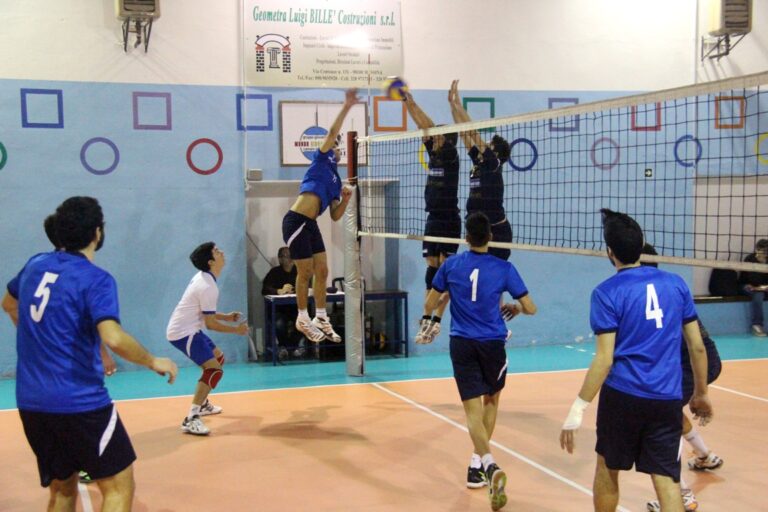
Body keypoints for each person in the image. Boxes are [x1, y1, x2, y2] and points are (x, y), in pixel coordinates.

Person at [1, 196, 178, 511]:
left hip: (31, 403)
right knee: (119, 487)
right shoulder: (95, 278)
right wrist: (153, 360)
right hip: (79, 403)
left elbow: (9, 303)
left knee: (63, 490)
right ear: (98, 232)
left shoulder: (35, 264)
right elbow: (112, 337)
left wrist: (40, 338)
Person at [559, 209, 713, 512]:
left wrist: (577, 409)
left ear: (609, 253)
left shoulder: (606, 292)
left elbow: (604, 359)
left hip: (623, 397)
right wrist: (701, 393)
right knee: (667, 478)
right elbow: (697, 346)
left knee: (607, 468)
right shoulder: (676, 284)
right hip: (667, 397)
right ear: (642, 245)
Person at [424, 212, 537, 511]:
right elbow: (531, 307)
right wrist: (514, 307)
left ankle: (483, 464)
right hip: (492, 344)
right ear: (490, 237)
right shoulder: (504, 268)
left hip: (461, 343)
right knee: (492, 401)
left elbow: (429, 302)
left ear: (465, 237)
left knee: (471, 408)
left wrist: (441, 305)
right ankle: (479, 462)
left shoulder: (451, 265)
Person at [640, 244, 723, 512]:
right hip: (690, 360)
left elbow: (695, 345)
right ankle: (705, 456)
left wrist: (701, 392)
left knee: (662, 421)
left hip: (695, 360)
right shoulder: (663, 286)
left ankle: (682, 495)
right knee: (670, 413)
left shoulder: (659, 292)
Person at [282, 88, 357, 344]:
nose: (335, 146)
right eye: (334, 144)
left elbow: (335, 216)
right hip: (296, 220)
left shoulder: (336, 181)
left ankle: (321, 316)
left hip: (311, 223)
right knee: (305, 271)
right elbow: (334, 132)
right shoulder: (320, 159)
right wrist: (347, 107)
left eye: (337, 147)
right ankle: (302, 317)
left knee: (322, 270)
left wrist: (346, 200)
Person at [166, 242, 248, 436]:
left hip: (191, 328)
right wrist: (236, 330)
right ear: (211, 261)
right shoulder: (207, 285)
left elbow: (206, 313)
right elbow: (210, 324)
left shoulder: (205, 279)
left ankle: (202, 404)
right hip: (182, 333)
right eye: (217, 251)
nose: (222, 252)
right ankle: (191, 418)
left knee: (217, 359)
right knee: (213, 370)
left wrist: (226, 316)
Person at [402, 89, 461, 345]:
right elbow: (423, 126)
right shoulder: (436, 152)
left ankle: (436, 321)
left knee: (445, 272)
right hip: (433, 218)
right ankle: (428, 320)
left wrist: (453, 106)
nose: (432, 138)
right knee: (432, 269)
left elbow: (427, 127)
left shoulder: (450, 156)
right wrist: (409, 102)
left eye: (438, 136)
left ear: (445, 141)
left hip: (449, 219)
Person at [448, 80, 512, 261]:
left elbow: (473, 133)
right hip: (479, 229)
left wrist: (459, 105)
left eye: (490, 145)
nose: (487, 146)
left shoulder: (493, 163)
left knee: (492, 280)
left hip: (496, 232)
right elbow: (463, 133)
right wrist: (452, 105)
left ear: (496, 152)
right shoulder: (481, 161)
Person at [262, 246, 306, 359]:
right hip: (279, 310)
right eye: (287, 256)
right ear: (280, 259)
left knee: (305, 320)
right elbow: (264, 289)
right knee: (279, 323)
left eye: (292, 256)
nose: (290, 259)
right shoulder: (274, 272)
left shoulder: (299, 271)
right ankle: (283, 346)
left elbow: (308, 285)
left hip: (296, 308)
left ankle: (294, 346)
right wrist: (279, 291)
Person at [738, 238, 768, 336]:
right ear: (756, 249)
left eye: (765, 251)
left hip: (763, 287)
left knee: (759, 292)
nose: (763, 253)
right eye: (760, 250)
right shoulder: (750, 259)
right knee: (758, 295)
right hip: (747, 285)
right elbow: (752, 281)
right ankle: (757, 325)